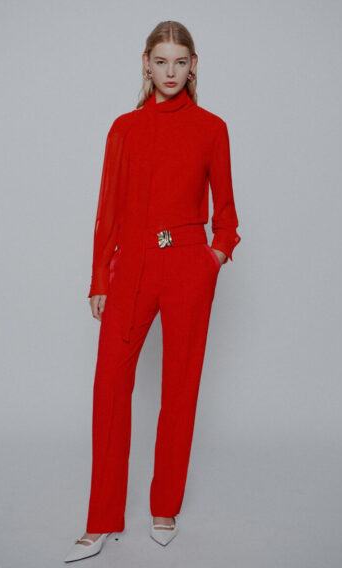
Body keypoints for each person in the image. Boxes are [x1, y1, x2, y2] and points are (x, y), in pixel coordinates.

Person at [64, 20, 241, 562]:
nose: (170, 72)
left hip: (188, 265)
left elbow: (226, 214)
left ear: (193, 66)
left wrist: (213, 257)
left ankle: (165, 507)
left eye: (179, 62)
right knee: (110, 388)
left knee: (180, 389)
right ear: (145, 63)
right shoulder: (124, 129)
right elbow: (108, 210)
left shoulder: (212, 128)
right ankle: (101, 519)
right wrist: (100, 278)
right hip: (133, 266)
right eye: (161, 61)